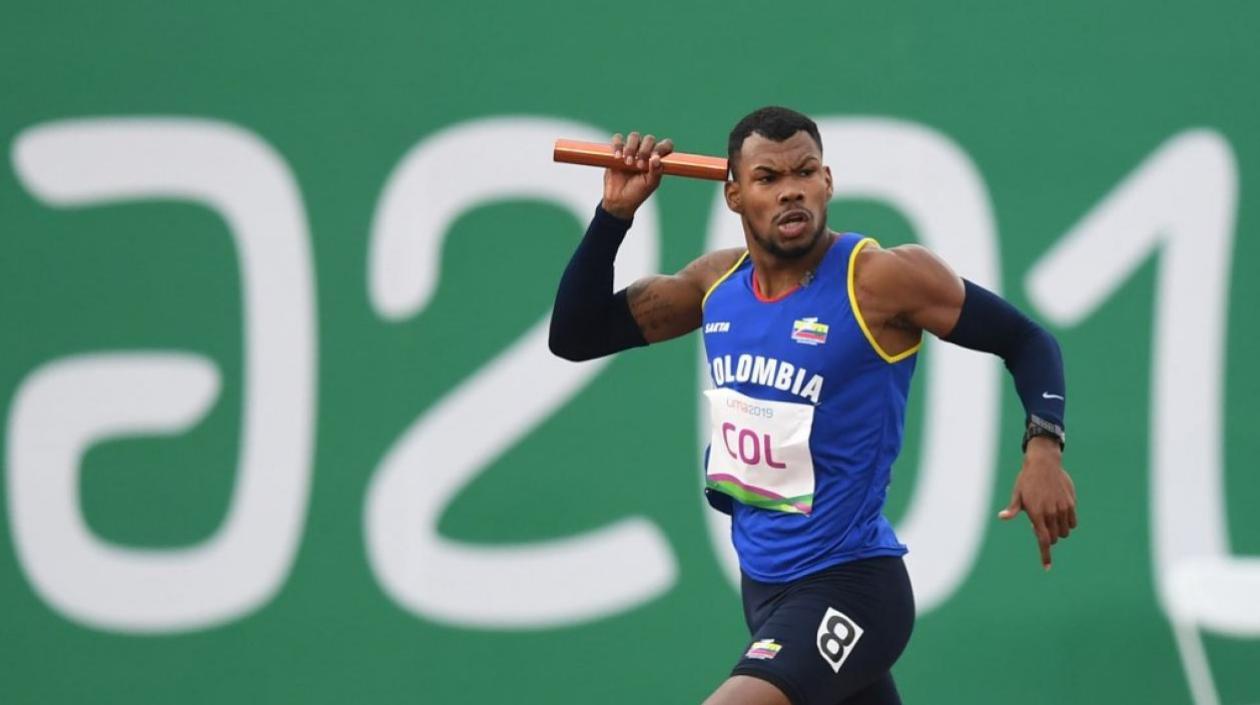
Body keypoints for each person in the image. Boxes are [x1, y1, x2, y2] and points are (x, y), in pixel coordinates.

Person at [548, 106, 1076, 705]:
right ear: (734, 195)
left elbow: (1027, 341)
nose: (791, 190)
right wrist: (614, 215)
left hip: (852, 585)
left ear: (828, 181)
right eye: (768, 178)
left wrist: (1043, 447)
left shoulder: (879, 280)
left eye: (805, 172)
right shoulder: (715, 286)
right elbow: (575, 335)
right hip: (766, 590)